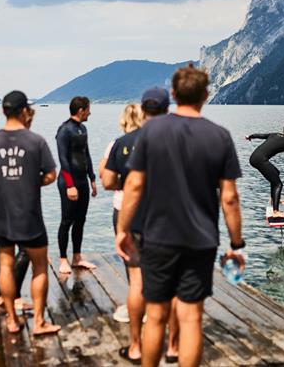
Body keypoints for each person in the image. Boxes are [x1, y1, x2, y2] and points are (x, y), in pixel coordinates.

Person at [116, 64, 245, 367]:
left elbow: (133, 185)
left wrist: (123, 230)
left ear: (173, 94)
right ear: (206, 95)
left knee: (156, 315)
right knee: (190, 319)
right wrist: (237, 244)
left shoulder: (151, 131)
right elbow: (229, 198)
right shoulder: (220, 136)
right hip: (200, 241)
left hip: (157, 237)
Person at [0, 90, 61, 336]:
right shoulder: (36, 141)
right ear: (24, 111)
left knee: (5, 264)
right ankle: (39, 323)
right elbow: (51, 175)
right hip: (30, 216)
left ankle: (12, 320)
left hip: (1, 214)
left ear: (3, 111)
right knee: (40, 267)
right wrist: (31, 182)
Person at [103, 91, 178, 364]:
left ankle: (135, 346)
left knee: (136, 281)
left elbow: (110, 181)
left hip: (133, 217)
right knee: (170, 284)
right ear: (167, 109)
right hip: (168, 220)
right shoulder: (177, 141)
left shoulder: (123, 142)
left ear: (144, 110)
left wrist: (122, 228)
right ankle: (172, 345)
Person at [98, 103, 143, 325]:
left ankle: (135, 310)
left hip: (124, 209)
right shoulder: (158, 142)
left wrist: (121, 183)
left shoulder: (116, 145)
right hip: (156, 210)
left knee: (133, 269)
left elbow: (105, 179)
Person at [0, 106, 36, 312]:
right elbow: (49, 175)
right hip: (22, 205)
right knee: (26, 251)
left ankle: (0, 296)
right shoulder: (32, 142)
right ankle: (15, 297)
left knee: (2, 251)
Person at [56, 96, 98, 273]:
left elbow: (86, 155)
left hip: (82, 181)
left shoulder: (83, 129)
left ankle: (77, 257)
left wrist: (92, 179)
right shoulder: (64, 130)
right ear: (81, 110)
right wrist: (70, 185)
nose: (90, 112)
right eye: (89, 109)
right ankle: (63, 259)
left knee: (80, 220)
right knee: (67, 221)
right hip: (68, 181)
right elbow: (63, 159)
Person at [245, 124, 284, 218]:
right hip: (260, 160)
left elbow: (260, 135)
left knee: (276, 173)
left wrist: (250, 136)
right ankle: (276, 212)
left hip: (253, 157)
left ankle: (274, 199)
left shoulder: (274, 134)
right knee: (278, 184)